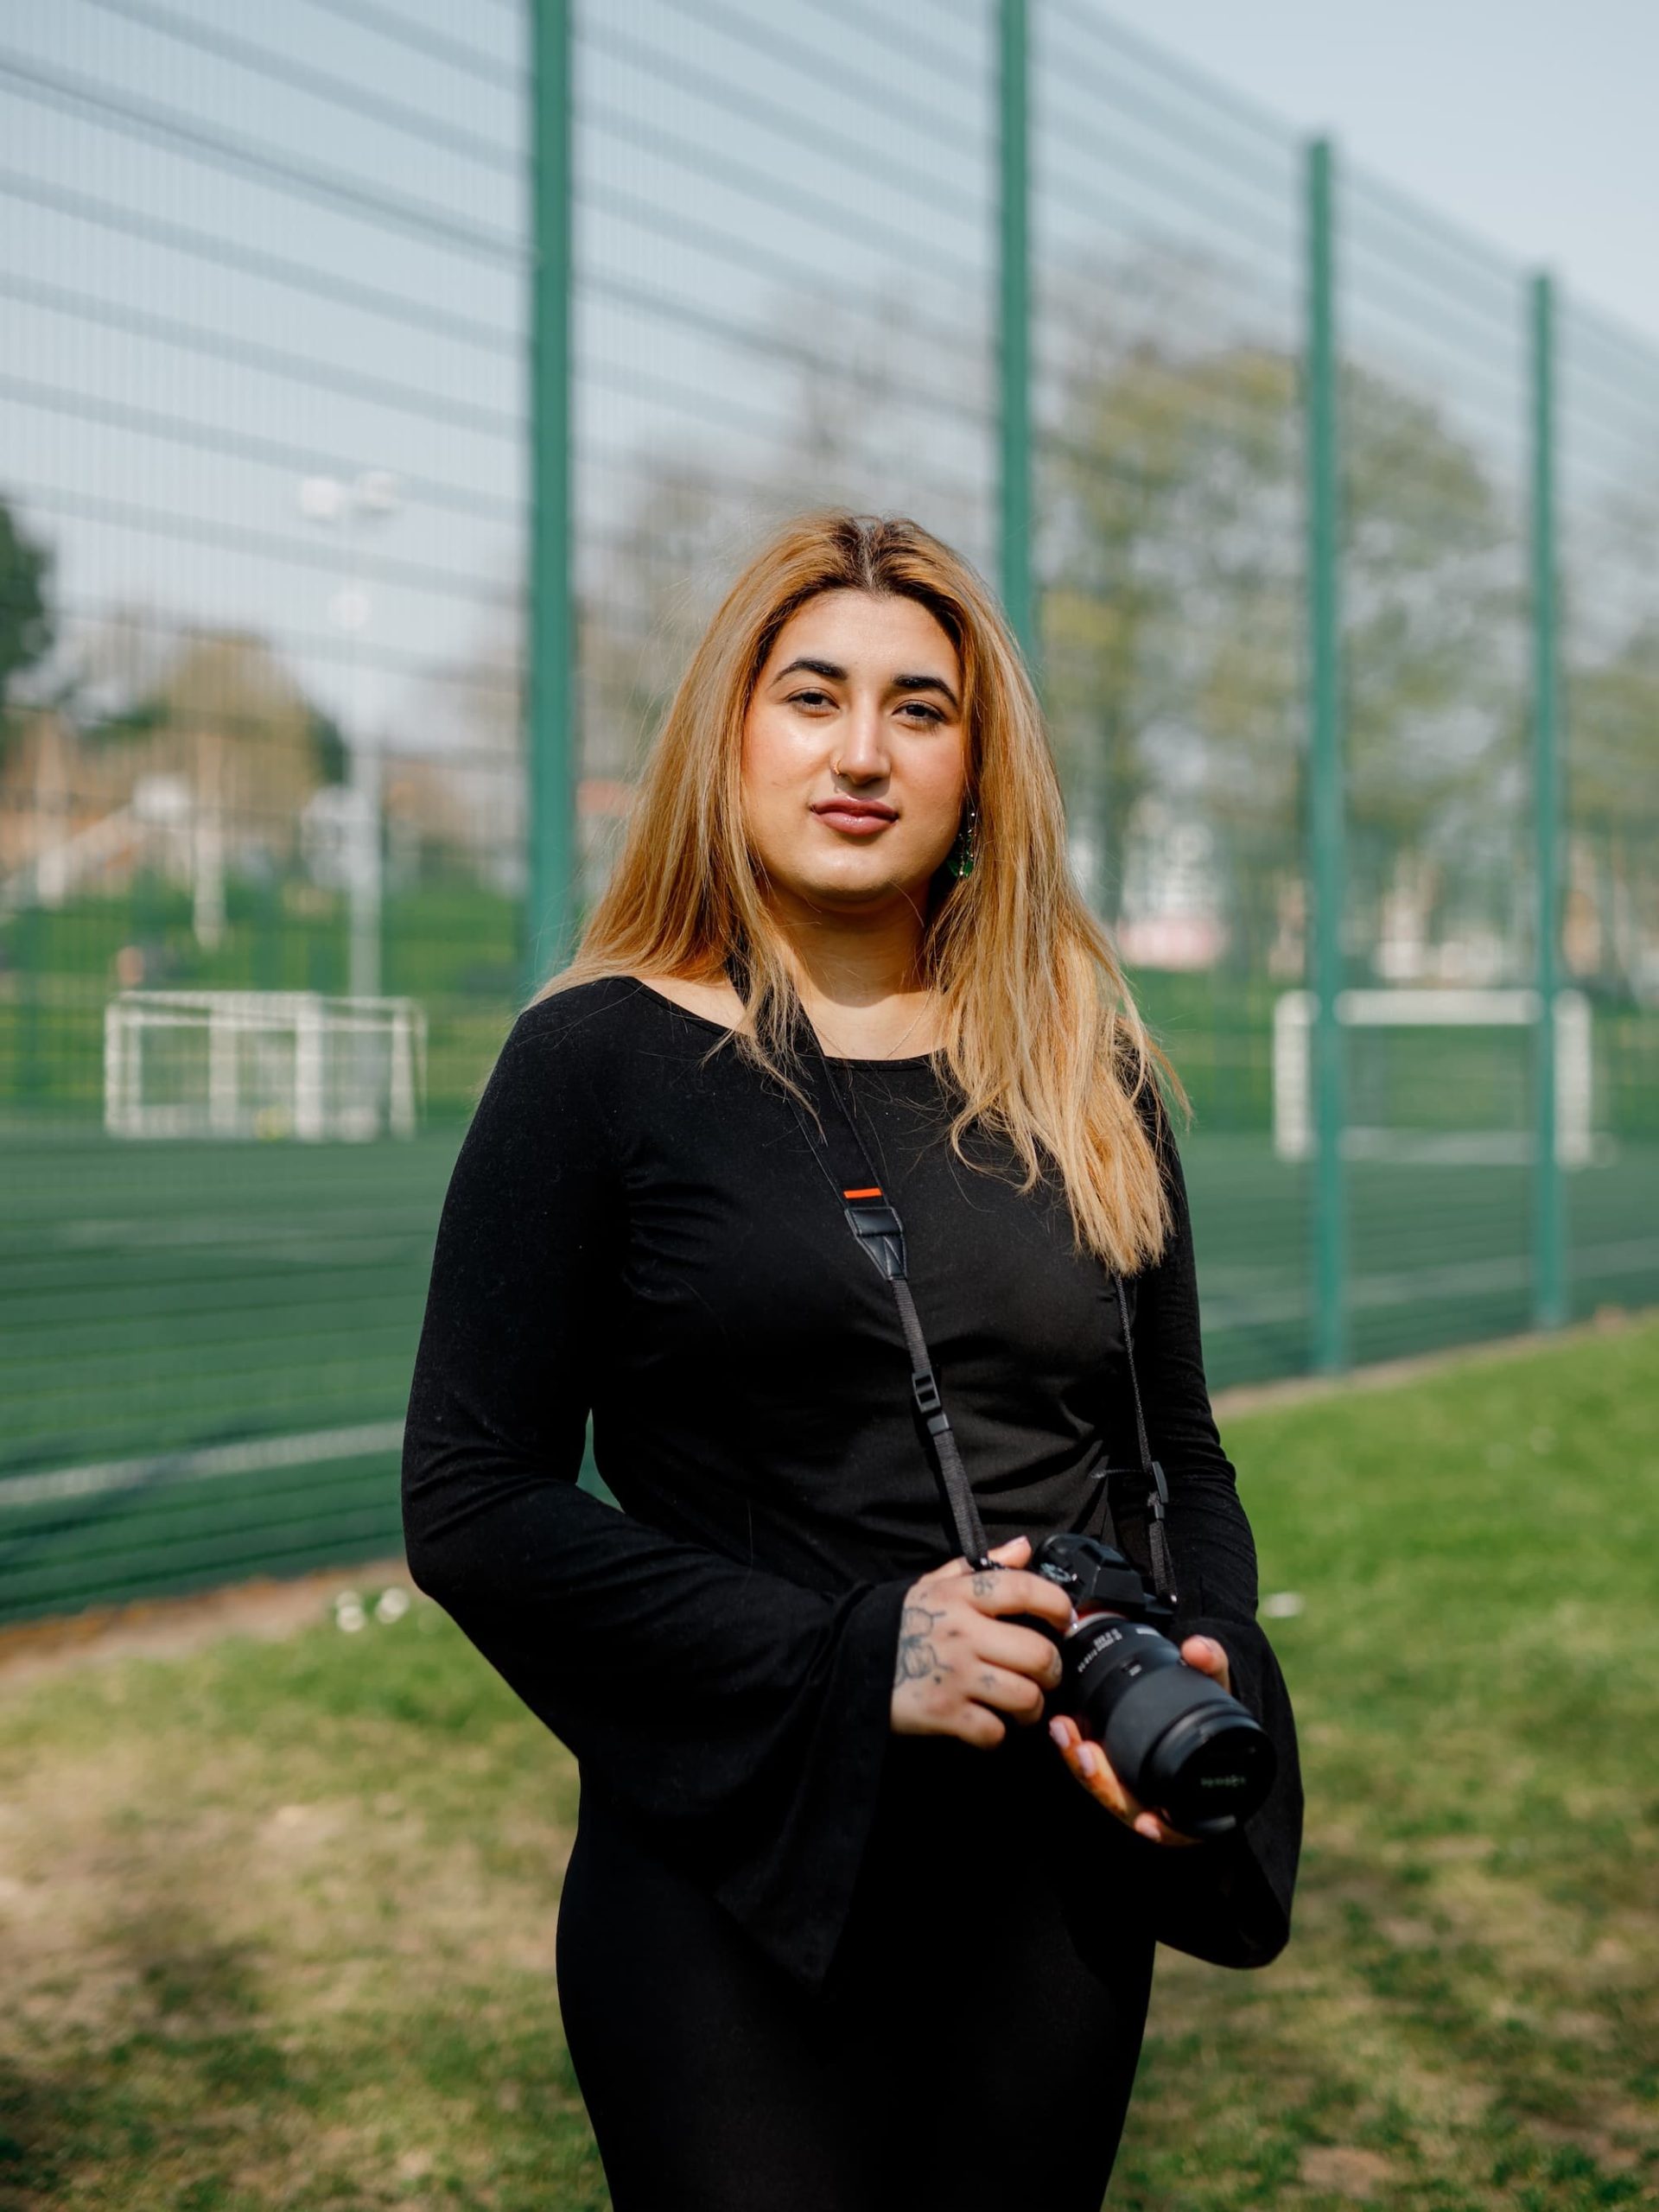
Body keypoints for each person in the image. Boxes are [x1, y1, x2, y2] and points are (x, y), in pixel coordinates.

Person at [401, 510, 1301, 2211]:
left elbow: (1176, 1451)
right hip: (738, 1855)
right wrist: (859, 1649)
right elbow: (471, 1498)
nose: (864, 752)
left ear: (981, 760)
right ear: (732, 728)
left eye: (921, 706)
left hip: (1054, 1862)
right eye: (814, 695)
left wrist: (1196, 1675)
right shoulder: (594, 1058)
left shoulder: (1080, 1053)